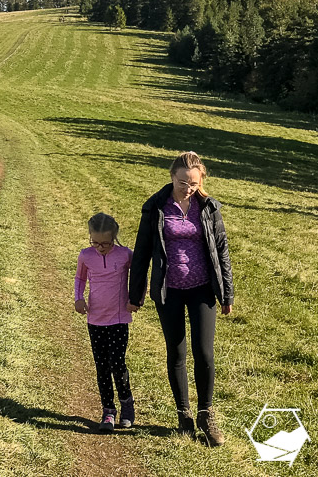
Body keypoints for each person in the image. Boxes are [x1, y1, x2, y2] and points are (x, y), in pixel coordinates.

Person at [128, 151, 234, 446]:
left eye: (194, 183)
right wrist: (134, 294)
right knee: (176, 353)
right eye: (182, 182)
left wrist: (226, 293)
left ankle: (206, 414)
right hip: (168, 290)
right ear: (172, 177)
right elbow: (142, 253)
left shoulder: (208, 208)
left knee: (204, 353)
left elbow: (221, 251)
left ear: (201, 181)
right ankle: (184, 414)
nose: (188, 188)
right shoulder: (155, 208)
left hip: (202, 289)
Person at [74, 212, 137, 431]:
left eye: (106, 243)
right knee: (102, 367)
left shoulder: (125, 255)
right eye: (96, 243)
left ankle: (127, 404)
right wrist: (79, 298)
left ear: (115, 237)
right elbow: (80, 278)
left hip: (119, 318)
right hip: (95, 320)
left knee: (117, 364)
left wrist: (135, 299)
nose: (101, 247)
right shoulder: (86, 255)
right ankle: (108, 410)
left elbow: (139, 273)